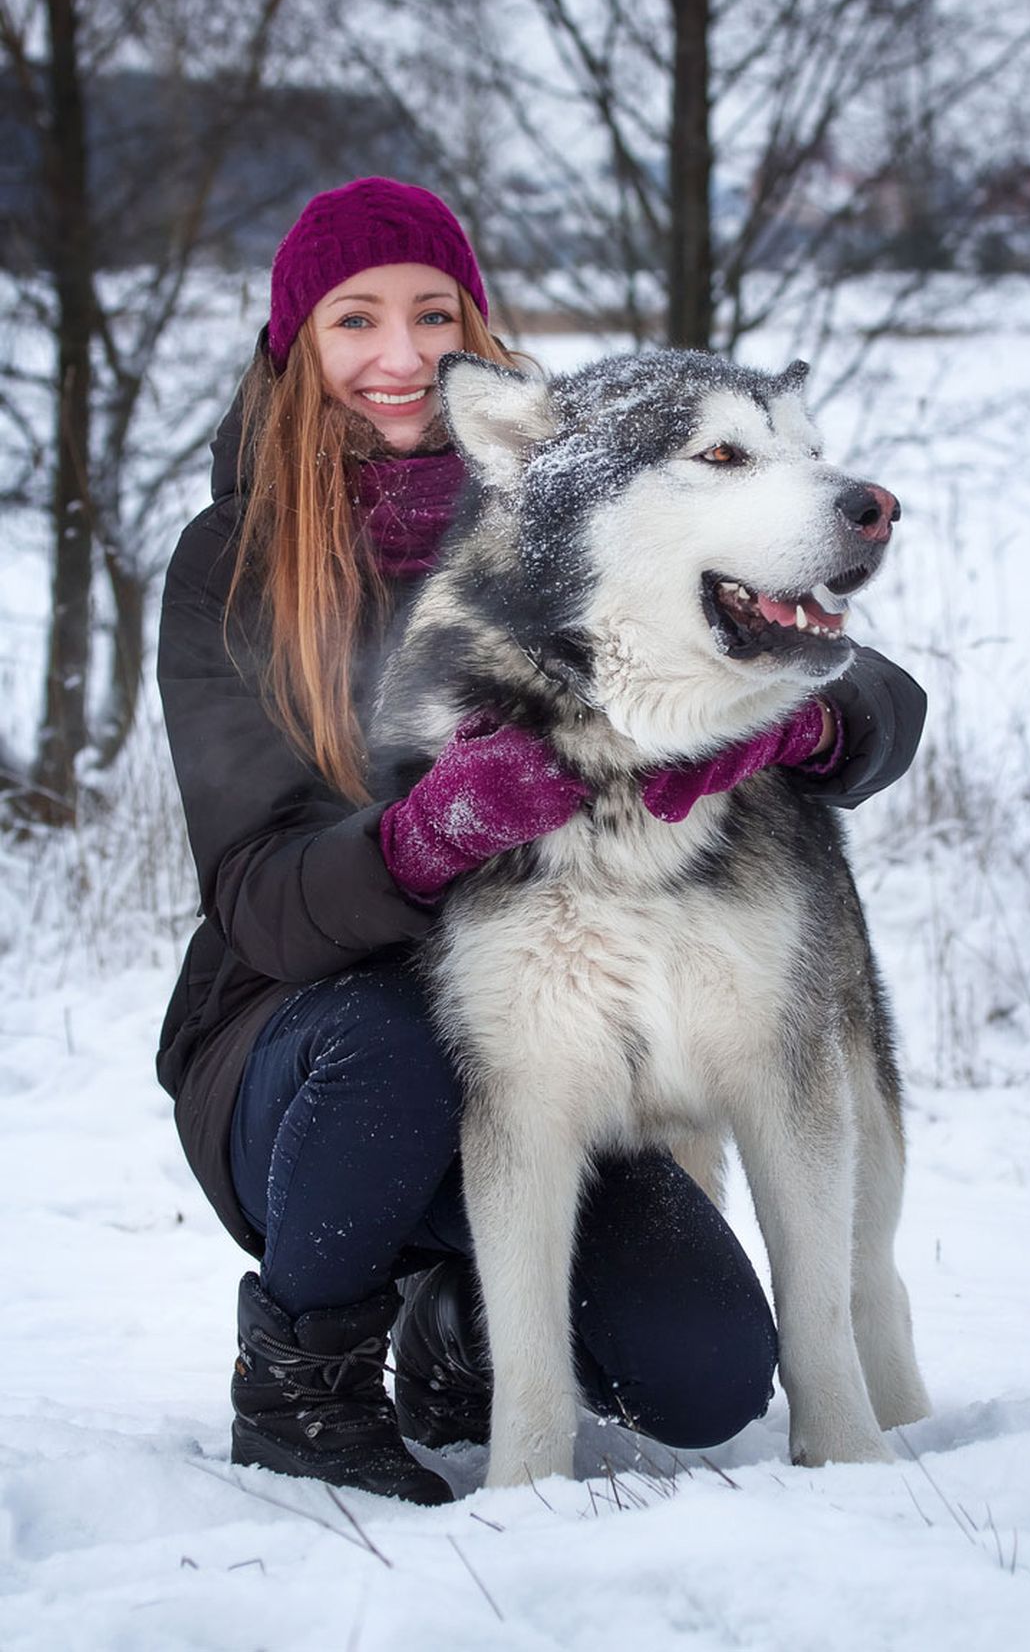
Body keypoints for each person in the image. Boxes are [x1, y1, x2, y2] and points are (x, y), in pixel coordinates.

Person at [157, 176, 928, 1507]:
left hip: (563, 1032)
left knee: (703, 1378)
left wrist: (804, 728)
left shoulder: (558, 485)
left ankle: (460, 1324)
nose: (397, 357)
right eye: (353, 321)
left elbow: (856, 685)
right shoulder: (235, 562)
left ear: (473, 324)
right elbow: (259, 902)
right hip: (310, 1046)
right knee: (395, 1034)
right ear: (297, 345)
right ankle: (306, 1376)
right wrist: (425, 834)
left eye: (431, 313)